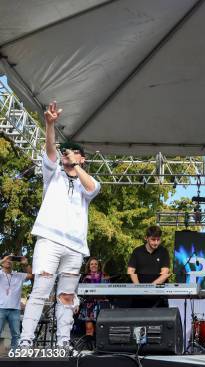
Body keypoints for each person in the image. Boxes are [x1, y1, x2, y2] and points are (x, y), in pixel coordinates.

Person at [19, 102, 101, 349]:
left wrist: (75, 165)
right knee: (41, 291)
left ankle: (64, 342)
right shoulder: (52, 174)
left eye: (72, 152)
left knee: (67, 296)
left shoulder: (87, 181)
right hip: (49, 241)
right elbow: (50, 150)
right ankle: (25, 341)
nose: (67, 154)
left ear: (82, 158)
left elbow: (92, 189)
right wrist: (50, 124)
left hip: (75, 247)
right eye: (65, 152)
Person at [127, 226, 171, 307]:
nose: (156, 243)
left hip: (158, 296)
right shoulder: (137, 251)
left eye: (158, 240)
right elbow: (130, 271)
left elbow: (165, 273)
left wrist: (150, 288)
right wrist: (139, 288)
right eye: (153, 240)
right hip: (139, 297)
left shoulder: (164, 251)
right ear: (146, 238)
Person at [0, 255, 33, 349]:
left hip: (15, 309)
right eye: (7, 259)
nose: (9, 261)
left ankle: (14, 356)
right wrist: (2, 260)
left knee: (16, 334)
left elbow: (31, 275)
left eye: (11, 260)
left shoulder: (18, 275)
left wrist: (26, 265)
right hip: (1, 308)